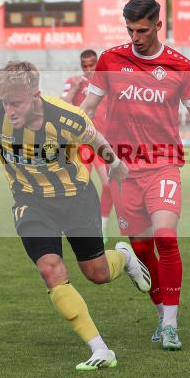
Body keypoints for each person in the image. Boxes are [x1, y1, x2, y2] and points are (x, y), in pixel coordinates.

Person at [0, 61, 152, 371]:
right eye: (6, 103)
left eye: (16, 103)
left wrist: (114, 164)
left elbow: (96, 139)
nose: (9, 110)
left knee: (97, 274)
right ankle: (100, 349)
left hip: (76, 199)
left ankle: (124, 258)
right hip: (30, 202)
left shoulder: (66, 117)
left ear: (36, 94)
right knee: (51, 269)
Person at [81, 0, 190, 351]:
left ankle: (170, 324)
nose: (135, 37)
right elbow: (87, 108)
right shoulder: (110, 59)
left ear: (158, 26)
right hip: (123, 171)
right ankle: (158, 308)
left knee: (165, 238)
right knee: (141, 250)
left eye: (143, 30)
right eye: (130, 30)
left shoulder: (180, 65)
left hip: (164, 165)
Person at [62, 49, 114, 241]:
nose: (89, 69)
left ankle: (102, 226)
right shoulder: (74, 82)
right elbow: (63, 106)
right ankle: (78, 226)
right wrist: (75, 89)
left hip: (102, 143)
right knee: (78, 186)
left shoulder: (107, 83)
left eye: (92, 65)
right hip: (82, 143)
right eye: (85, 66)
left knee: (109, 185)